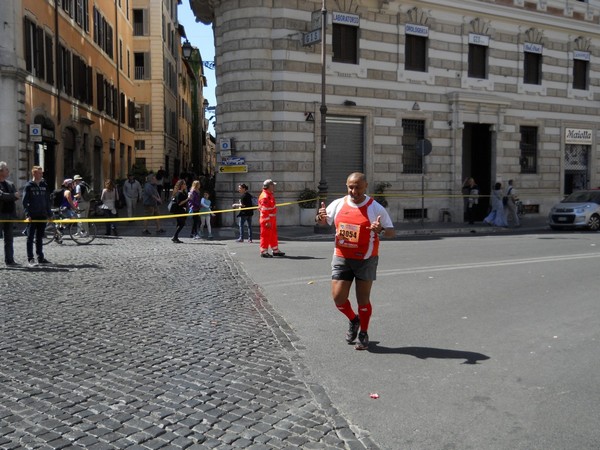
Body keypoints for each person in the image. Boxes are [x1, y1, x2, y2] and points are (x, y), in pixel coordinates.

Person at [316, 172, 394, 350]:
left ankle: (364, 332)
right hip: (342, 257)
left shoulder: (375, 208)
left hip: (366, 259)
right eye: (351, 187)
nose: (354, 190)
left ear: (365, 186)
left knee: (362, 299)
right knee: (338, 298)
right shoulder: (338, 204)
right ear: (346, 186)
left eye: (358, 187)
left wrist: (380, 229)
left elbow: (391, 232)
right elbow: (323, 222)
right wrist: (319, 218)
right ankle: (354, 320)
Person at [22, 166, 52, 267]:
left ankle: (40, 257)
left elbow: (47, 200)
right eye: (39, 173)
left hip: (42, 215)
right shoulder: (28, 186)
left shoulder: (44, 185)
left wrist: (49, 213)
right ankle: (30, 258)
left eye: (41, 173)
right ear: (34, 174)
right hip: (32, 216)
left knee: (40, 237)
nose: (41, 175)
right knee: (30, 237)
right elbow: (25, 201)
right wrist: (27, 214)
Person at [0, 161, 21, 266]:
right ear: (1, 171)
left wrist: (11, 196)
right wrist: (13, 196)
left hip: (9, 214)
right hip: (0, 215)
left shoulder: (10, 184)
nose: (8, 171)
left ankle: (10, 260)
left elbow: (16, 196)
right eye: (6, 169)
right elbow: (1, 196)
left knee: (9, 239)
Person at [258, 179, 284, 257]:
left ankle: (275, 250)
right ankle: (263, 252)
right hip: (267, 219)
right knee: (265, 235)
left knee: (273, 235)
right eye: (272, 185)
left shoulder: (269, 194)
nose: (274, 187)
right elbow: (264, 210)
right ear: (269, 186)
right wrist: (267, 221)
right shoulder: (265, 196)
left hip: (271, 219)